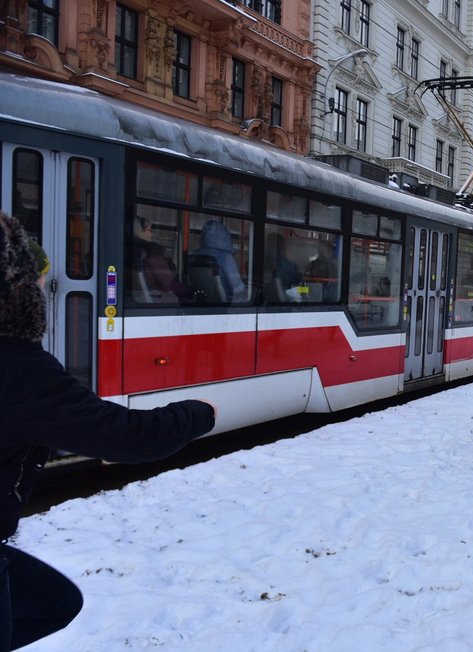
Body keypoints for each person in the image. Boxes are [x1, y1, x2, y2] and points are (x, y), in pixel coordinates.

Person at [0, 212, 216, 651]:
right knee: (52, 603)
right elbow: (128, 437)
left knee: (53, 601)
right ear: (16, 286)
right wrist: (200, 412)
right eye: (36, 277)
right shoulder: (17, 368)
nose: (45, 285)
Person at [192, 220, 247, 302]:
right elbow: (237, 288)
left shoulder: (195, 254)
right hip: (226, 306)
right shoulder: (225, 257)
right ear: (225, 237)